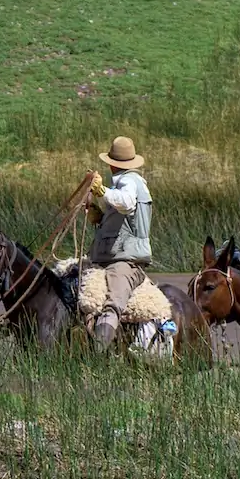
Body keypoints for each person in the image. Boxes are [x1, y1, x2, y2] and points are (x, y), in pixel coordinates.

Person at [86, 135, 154, 348]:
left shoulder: (129, 181)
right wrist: (100, 218)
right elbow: (124, 217)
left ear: (111, 164)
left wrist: (103, 191)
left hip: (126, 262)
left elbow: (126, 203)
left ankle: (99, 351)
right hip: (111, 257)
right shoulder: (127, 182)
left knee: (113, 303)